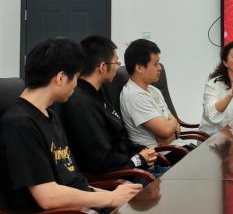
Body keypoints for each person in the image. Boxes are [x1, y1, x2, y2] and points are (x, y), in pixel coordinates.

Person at [0, 38, 141, 212]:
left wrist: (116, 195)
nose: (76, 84)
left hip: (80, 207)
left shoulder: (50, 115)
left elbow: (73, 182)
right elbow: (48, 196)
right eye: (75, 77)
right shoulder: (20, 124)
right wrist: (110, 198)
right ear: (60, 78)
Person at [62, 35, 167, 178]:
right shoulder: (80, 104)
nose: (118, 67)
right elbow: (100, 161)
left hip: (131, 167)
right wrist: (138, 159)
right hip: (119, 178)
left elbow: (120, 140)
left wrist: (142, 150)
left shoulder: (101, 91)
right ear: (102, 67)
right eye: (116, 63)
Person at [120, 39, 193, 149]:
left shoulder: (153, 90)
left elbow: (174, 125)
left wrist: (173, 132)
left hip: (176, 146)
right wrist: (171, 126)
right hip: (161, 155)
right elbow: (166, 130)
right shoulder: (134, 96)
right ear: (139, 68)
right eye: (155, 64)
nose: (160, 68)